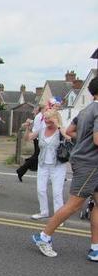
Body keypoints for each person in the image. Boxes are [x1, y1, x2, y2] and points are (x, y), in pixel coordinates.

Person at [32, 76, 98, 261]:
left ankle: (95, 248)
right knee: (74, 205)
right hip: (90, 164)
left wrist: (84, 141)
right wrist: (88, 142)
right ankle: (43, 237)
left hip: (86, 161)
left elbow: (69, 132)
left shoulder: (86, 110)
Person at [24, 109, 68, 220]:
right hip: (43, 164)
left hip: (58, 165)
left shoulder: (61, 130)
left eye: (49, 118)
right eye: (45, 118)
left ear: (55, 118)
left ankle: (58, 217)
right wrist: (28, 128)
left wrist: (57, 124)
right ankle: (44, 212)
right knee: (41, 189)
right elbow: (28, 138)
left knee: (57, 192)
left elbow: (68, 137)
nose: (47, 120)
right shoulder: (41, 130)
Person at [16, 104, 46, 182]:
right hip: (38, 138)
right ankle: (21, 169)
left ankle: (22, 169)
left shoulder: (40, 116)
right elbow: (38, 127)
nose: (46, 110)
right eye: (44, 109)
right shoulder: (39, 116)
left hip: (39, 138)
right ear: (41, 109)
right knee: (36, 156)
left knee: (37, 156)